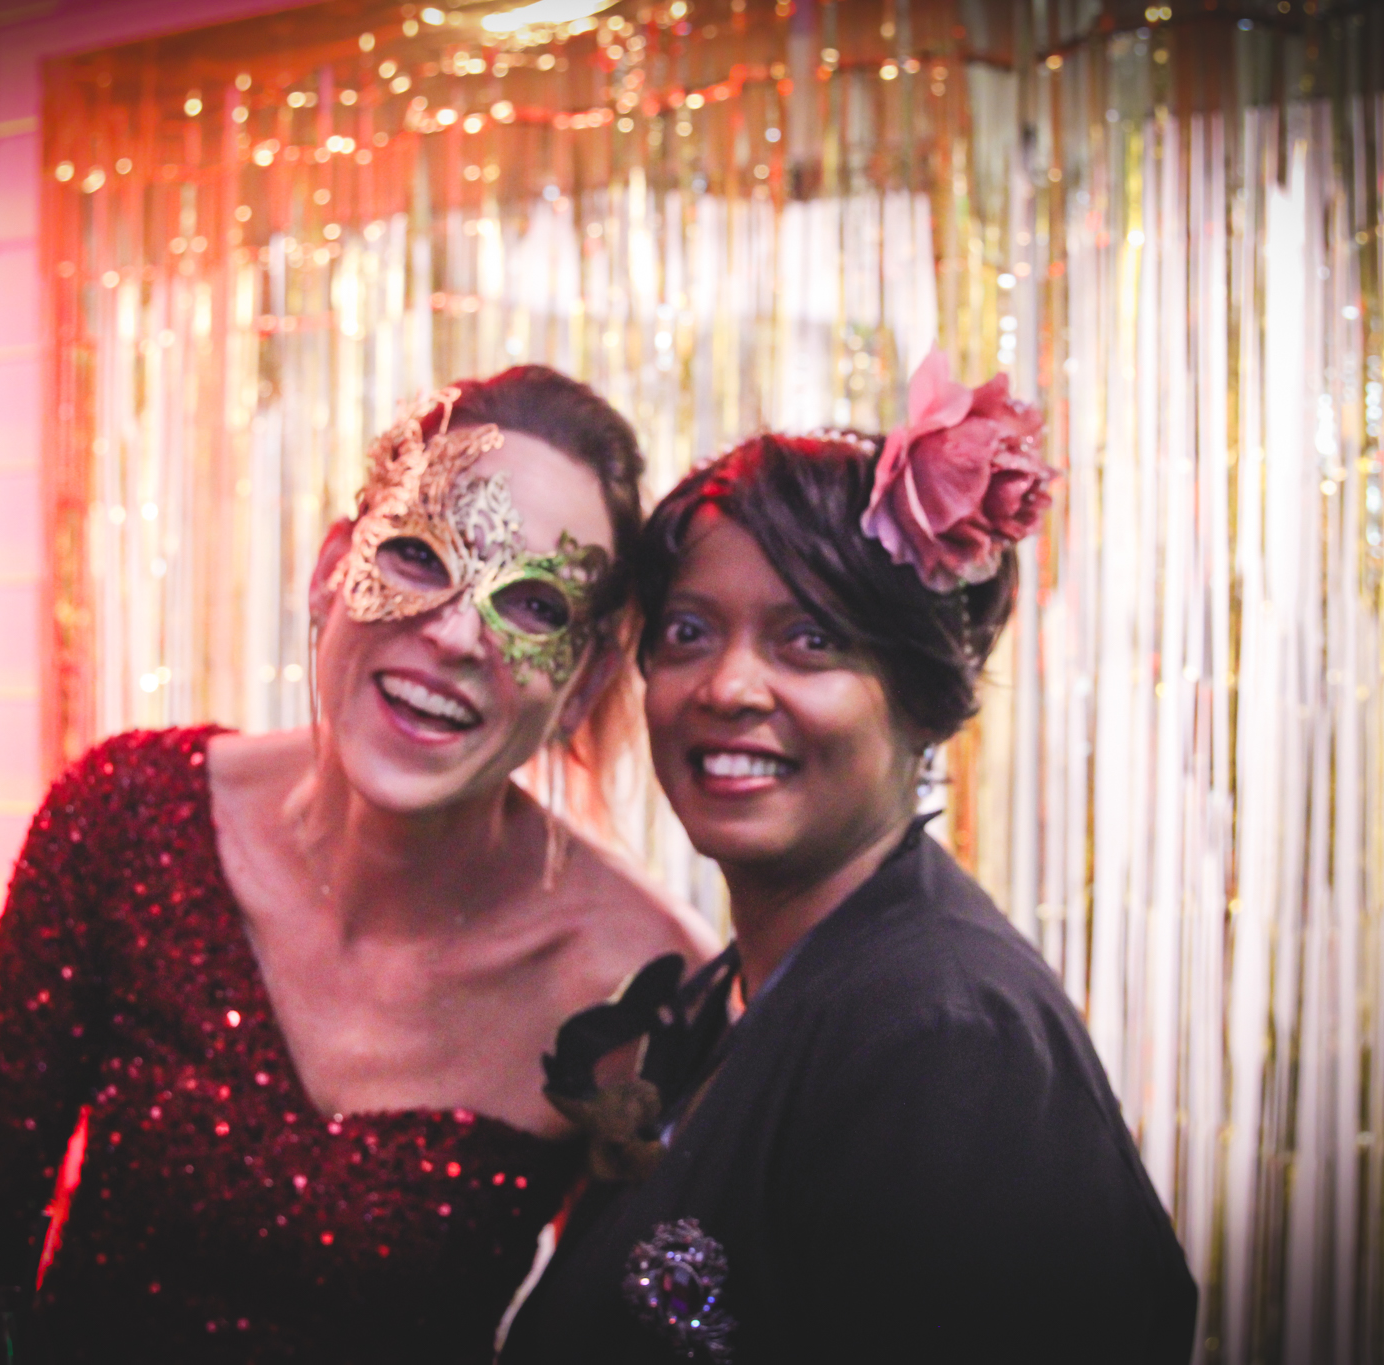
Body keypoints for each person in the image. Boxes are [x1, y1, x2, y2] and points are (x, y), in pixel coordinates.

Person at [0, 366, 714, 1363]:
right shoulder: (125, 816)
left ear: (583, 681)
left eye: (534, 605)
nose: (454, 632)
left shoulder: (643, 987)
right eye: (417, 553)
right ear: (332, 570)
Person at [501, 353, 1198, 1364]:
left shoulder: (946, 1040)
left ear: (920, 697)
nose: (728, 686)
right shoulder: (732, 994)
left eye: (810, 640)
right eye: (688, 632)